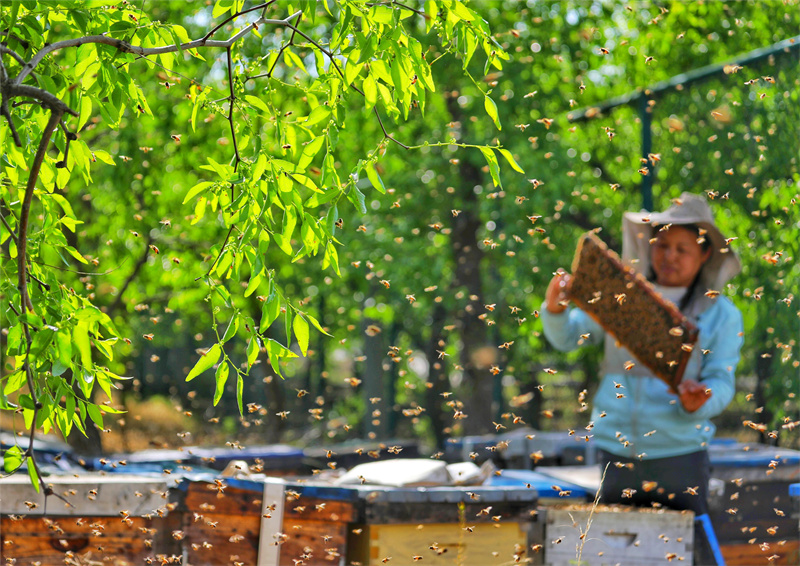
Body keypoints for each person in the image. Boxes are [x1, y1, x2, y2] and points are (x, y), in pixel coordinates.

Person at [541, 192, 743, 516]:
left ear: (704, 254)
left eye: (682, 249)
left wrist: (702, 399)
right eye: (662, 245)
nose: (669, 256)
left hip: (680, 455)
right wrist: (554, 309)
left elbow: (721, 379)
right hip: (615, 449)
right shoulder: (622, 296)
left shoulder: (722, 314)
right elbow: (569, 337)